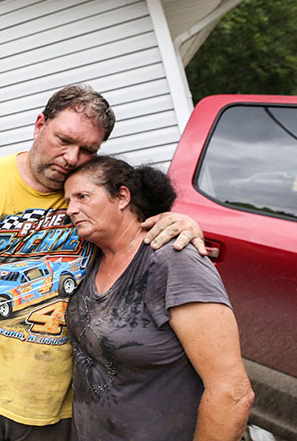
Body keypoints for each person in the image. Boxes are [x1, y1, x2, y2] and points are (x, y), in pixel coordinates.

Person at [0, 84, 207, 441]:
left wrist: (180, 220)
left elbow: (138, 216)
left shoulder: (94, 196)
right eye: (64, 140)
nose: (72, 158)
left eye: (88, 149)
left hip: (62, 394)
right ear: (40, 125)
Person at [64, 156, 253, 440]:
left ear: (122, 197)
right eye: (67, 201)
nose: (71, 210)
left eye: (82, 197)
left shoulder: (172, 260)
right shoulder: (89, 259)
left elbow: (231, 393)